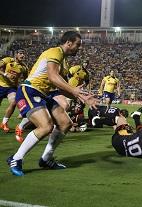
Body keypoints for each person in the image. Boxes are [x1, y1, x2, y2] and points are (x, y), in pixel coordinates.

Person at [7, 31, 98, 176]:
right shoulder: (56, 52)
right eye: (78, 45)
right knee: (46, 126)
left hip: (44, 93)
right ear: (68, 43)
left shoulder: (63, 61)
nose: (79, 48)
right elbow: (53, 76)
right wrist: (75, 92)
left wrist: (82, 97)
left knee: (65, 123)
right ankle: (16, 158)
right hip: (30, 90)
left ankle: (46, 159)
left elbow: (60, 86)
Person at [0, 49, 28, 133]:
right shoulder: (7, 60)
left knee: (14, 102)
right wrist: (5, 74)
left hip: (11, 88)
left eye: (23, 54)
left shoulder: (24, 67)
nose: (22, 55)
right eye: (20, 53)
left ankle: (4, 123)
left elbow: (26, 79)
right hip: (1, 85)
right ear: (16, 54)